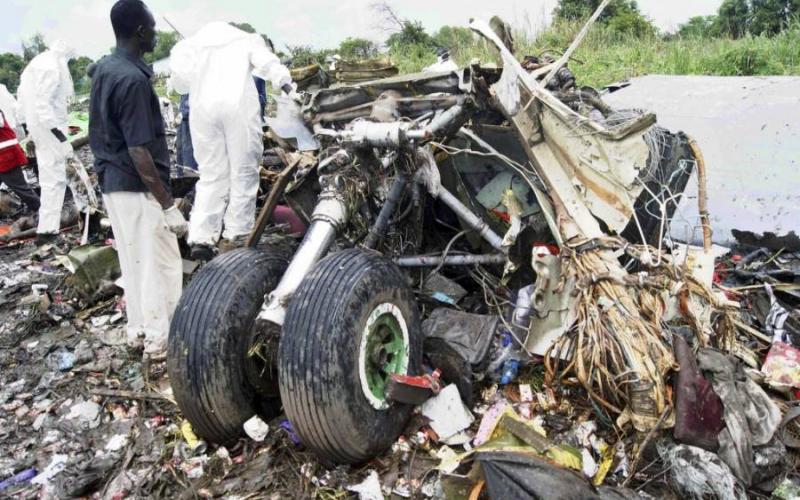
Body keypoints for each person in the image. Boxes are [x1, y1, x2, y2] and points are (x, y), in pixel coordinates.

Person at [89, 0, 187, 359]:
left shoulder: (106, 68)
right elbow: (139, 150)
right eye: (152, 27)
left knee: (134, 263)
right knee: (160, 266)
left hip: (113, 183)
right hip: (136, 184)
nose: (156, 33)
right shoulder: (132, 81)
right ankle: (161, 340)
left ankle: (138, 330)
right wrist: (167, 203)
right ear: (140, 31)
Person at [169, 22, 295, 261]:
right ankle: (237, 233)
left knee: (211, 174)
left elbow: (179, 83)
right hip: (238, 107)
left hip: (203, 111)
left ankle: (202, 237)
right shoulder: (245, 40)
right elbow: (270, 66)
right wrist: (289, 87)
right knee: (243, 171)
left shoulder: (190, 45)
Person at [17, 40, 76, 245]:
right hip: (50, 129)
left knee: (51, 178)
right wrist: (59, 135)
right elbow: (44, 104)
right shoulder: (51, 65)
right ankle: (48, 231)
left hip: (39, 129)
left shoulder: (35, 64)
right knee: (56, 179)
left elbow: (22, 102)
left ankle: (49, 227)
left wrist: (27, 128)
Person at [0, 91, 40, 215]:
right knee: (20, 186)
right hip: (5, 155)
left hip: (5, 156)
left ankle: (41, 210)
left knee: (20, 187)